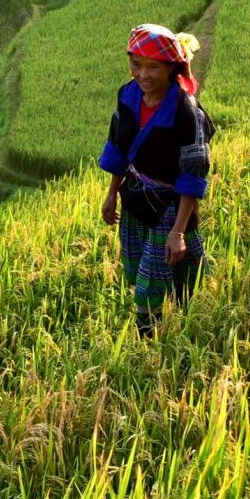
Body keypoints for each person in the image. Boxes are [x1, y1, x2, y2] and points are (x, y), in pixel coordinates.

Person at [98, 24, 214, 336]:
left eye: (153, 67)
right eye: (136, 64)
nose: (143, 74)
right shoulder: (128, 95)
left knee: (152, 276)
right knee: (137, 266)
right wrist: (112, 194)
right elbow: (118, 145)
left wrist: (178, 231)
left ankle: (148, 337)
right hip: (134, 195)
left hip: (168, 202)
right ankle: (183, 301)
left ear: (170, 68)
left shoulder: (185, 111)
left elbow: (193, 171)